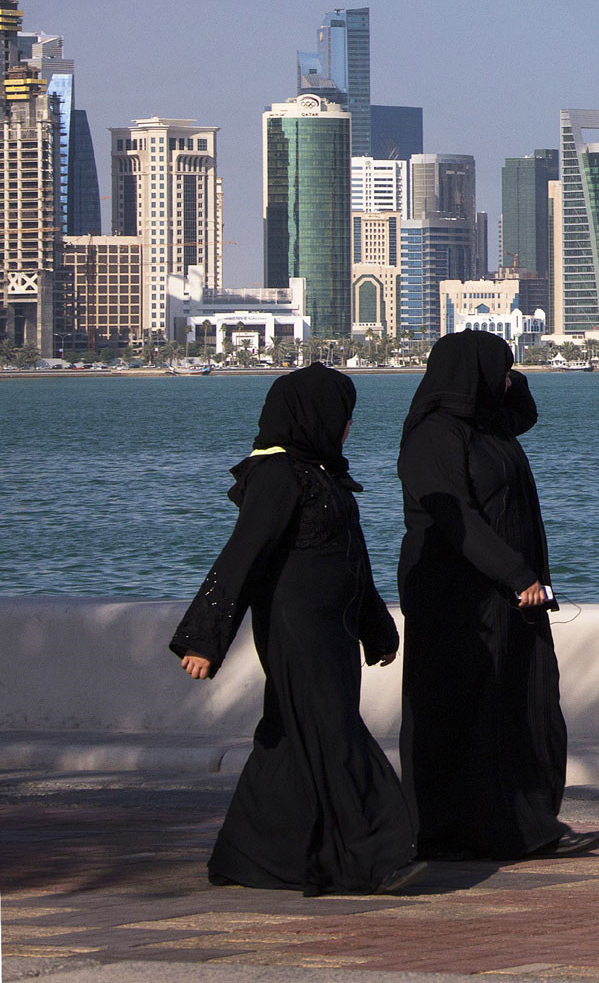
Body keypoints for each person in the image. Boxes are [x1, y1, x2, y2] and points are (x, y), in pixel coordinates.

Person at [170, 363, 424, 896]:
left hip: (333, 631)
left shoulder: (322, 474)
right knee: (332, 729)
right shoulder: (277, 474)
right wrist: (204, 639)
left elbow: (350, 560)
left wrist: (374, 627)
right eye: (341, 417)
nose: (347, 427)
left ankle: (255, 855)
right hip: (296, 629)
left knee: (288, 736)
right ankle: (374, 847)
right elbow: (243, 555)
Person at [396, 331, 592, 859]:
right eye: (498, 373)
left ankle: (524, 820)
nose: (507, 383)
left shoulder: (489, 427)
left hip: (509, 599)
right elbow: (458, 519)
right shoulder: (434, 436)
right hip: (459, 600)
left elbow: (524, 410)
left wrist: (505, 369)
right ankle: (452, 830)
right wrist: (516, 574)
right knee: (462, 713)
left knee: (523, 706)